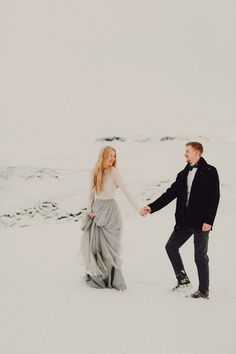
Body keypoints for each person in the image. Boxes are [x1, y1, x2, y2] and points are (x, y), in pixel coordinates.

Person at [140, 142, 220, 299]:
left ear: (197, 152)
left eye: (187, 152)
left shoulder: (210, 172)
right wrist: (151, 207)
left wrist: (209, 221)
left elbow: (214, 198)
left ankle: (204, 290)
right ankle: (182, 280)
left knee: (200, 256)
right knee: (171, 247)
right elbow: (170, 194)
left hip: (201, 222)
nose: (185, 154)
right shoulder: (183, 174)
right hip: (184, 221)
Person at [80, 145, 141, 290]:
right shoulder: (95, 171)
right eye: (110, 156)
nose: (113, 159)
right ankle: (101, 277)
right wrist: (89, 210)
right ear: (103, 156)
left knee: (111, 247)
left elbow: (126, 190)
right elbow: (91, 193)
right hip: (97, 211)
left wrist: (138, 208)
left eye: (115, 156)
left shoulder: (114, 172)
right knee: (97, 246)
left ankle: (114, 279)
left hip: (111, 213)